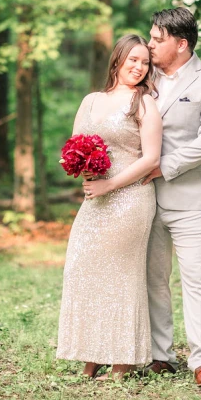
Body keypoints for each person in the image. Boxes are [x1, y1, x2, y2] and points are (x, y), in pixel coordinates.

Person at [56, 34, 162, 379]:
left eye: (145, 62)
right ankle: (92, 352)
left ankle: (123, 360)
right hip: (96, 197)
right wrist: (81, 164)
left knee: (121, 275)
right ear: (117, 60)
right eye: (133, 60)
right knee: (83, 266)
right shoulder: (90, 101)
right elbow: (74, 143)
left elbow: (151, 158)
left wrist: (111, 184)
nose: (139, 67)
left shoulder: (144, 103)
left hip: (130, 197)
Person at [143, 7, 201, 388]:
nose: (148, 45)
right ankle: (161, 354)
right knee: (153, 279)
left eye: (157, 39)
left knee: (197, 280)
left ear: (181, 44)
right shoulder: (140, 76)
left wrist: (164, 166)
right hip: (142, 198)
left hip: (191, 198)